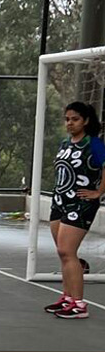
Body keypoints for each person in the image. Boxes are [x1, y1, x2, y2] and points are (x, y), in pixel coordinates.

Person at [44, 101, 105, 319]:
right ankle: (68, 297)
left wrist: (98, 192)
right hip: (60, 201)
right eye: (67, 119)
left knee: (67, 251)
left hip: (81, 203)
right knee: (63, 253)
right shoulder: (65, 143)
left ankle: (80, 304)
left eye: (75, 119)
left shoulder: (94, 144)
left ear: (86, 121)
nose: (70, 123)